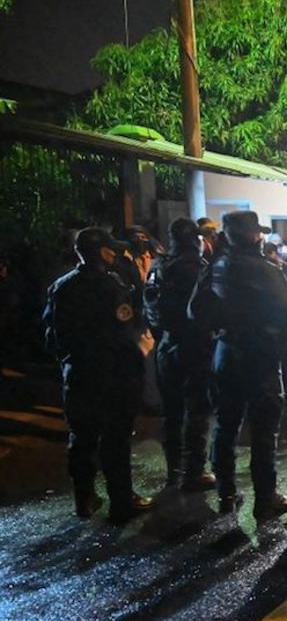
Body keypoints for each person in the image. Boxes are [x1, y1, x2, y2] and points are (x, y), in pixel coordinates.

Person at [189, 211, 287, 519]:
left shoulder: (215, 268)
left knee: (226, 425)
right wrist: (279, 342)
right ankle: (266, 498)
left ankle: (226, 491)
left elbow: (195, 311)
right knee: (264, 431)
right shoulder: (266, 269)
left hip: (226, 352)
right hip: (260, 355)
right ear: (252, 236)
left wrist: (221, 328)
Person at [43, 228, 154, 522]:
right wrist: (138, 358)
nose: (114, 253)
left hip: (77, 373)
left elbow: (50, 336)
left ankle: (85, 497)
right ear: (102, 252)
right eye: (109, 249)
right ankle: (122, 499)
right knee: (115, 438)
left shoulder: (61, 287)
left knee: (82, 438)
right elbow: (124, 332)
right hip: (111, 373)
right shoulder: (111, 285)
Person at [143, 218, 215, 491]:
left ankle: (174, 467)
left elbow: (147, 307)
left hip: (165, 345)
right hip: (193, 346)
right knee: (197, 410)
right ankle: (194, 471)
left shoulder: (157, 266)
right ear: (195, 240)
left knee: (171, 411)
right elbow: (205, 311)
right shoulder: (197, 269)